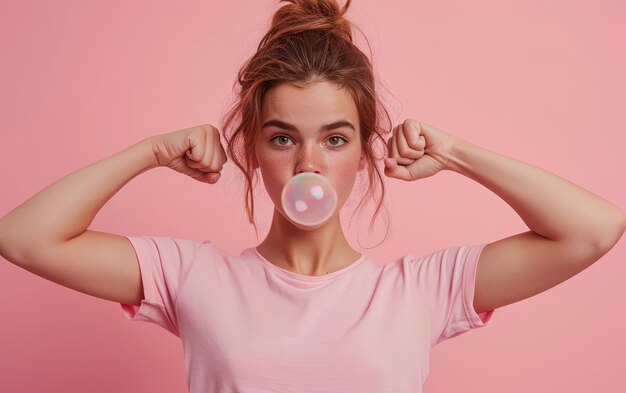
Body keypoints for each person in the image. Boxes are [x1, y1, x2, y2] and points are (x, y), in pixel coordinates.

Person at [0, 0, 624, 392]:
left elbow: (594, 229)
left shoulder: (417, 293)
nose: (308, 164)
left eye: (334, 137)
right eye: (281, 138)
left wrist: (457, 153)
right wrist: (152, 152)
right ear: (249, 149)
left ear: (363, 149)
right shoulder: (192, 277)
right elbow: (22, 238)